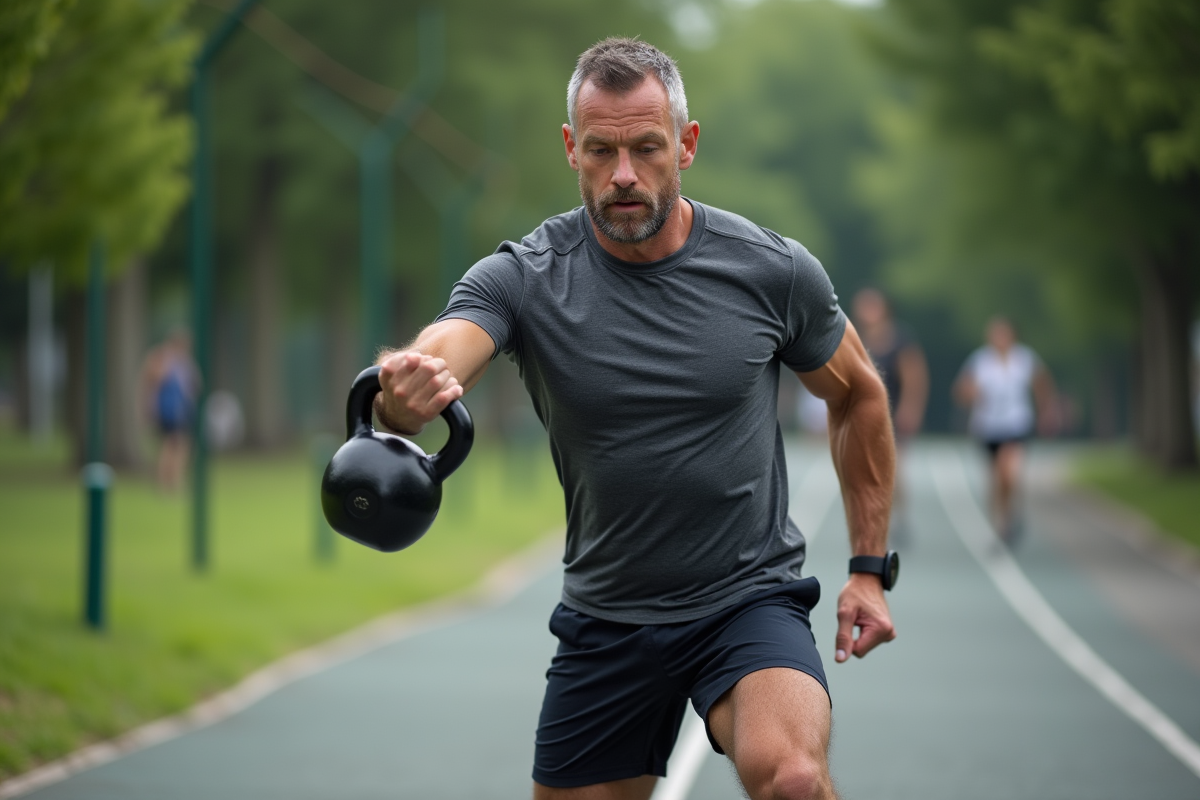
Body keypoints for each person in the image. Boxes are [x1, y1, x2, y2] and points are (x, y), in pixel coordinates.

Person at [374, 39, 897, 800]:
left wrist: (869, 572)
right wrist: (406, 386)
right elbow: (446, 346)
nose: (624, 174)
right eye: (602, 151)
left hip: (746, 600)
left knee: (791, 778)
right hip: (607, 618)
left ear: (685, 143)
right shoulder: (525, 277)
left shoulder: (770, 271)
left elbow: (857, 393)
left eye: (647, 148)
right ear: (570, 149)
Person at [953, 316, 1057, 542]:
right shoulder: (980, 360)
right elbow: (961, 390)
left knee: (1009, 471)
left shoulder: (1025, 359)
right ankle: (1002, 520)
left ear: (1013, 335)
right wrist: (972, 394)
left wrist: (1046, 412)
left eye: (1003, 333)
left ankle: (1010, 515)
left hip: (1016, 423)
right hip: (988, 426)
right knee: (996, 478)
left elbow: (1042, 385)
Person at [851, 288, 928, 542]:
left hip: (893, 412)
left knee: (893, 470)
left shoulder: (900, 340)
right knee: (865, 471)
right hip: (865, 414)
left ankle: (900, 519)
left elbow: (915, 378)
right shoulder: (856, 339)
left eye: (872, 306)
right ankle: (870, 520)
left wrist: (911, 409)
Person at [141, 329, 199, 491]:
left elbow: (194, 385)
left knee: (181, 445)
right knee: (171, 445)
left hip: (181, 410)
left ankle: (174, 481)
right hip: (169, 410)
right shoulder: (163, 359)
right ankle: (167, 483)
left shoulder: (184, 361)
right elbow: (153, 381)